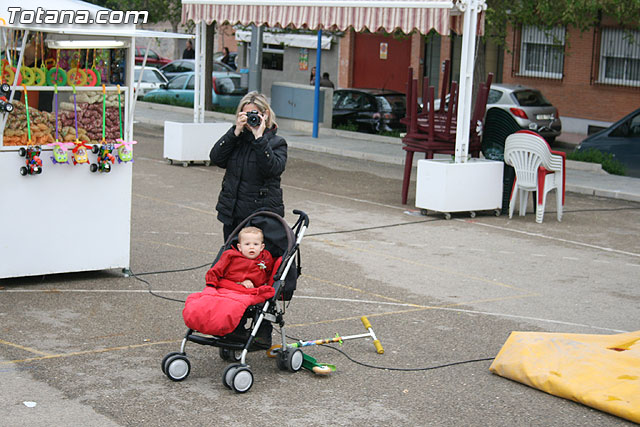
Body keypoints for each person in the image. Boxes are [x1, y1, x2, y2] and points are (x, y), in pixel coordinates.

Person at [210, 92, 287, 241]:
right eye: (246, 114)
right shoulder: (236, 139)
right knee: (232, 257)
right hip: (232, 213)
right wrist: (235, 132)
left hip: (259, 216)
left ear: (265, 115)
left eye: (254, 114)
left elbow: (272, 169)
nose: (251, 118)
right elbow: (216, 158)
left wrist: (259, 138)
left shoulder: (277, 143)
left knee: (254, 261)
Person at [205, 226, 274, 290]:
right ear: (239, 247)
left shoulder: (265, 259)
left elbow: (267, 276)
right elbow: (216, 270)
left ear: (261, 247)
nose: (251, 247)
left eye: (255, 244)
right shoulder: (230, 255)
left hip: (250, 290)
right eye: (247, 244)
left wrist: (255, 284)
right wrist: (211, 284)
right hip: (228, 285)